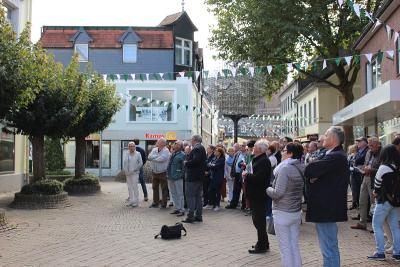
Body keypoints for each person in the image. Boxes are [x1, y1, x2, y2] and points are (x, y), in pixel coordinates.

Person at [304, 126, 349, 267]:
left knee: (328, 246)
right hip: (325, 207)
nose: (323, 137)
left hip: (327, 207)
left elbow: (309, 169)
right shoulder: (331, 154)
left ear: (334, 139)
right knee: (328, 245)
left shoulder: (335, 156)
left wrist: (314, 175)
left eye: (326, 135)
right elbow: (312, 171)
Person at [267, 142, 304, 267]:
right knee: (294, 245)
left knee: (285, 248)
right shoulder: (300, 166)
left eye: (284, 150)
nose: (282, 153)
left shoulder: (284, 168)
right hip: (295, 212)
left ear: (290, 154)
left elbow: (278, 193)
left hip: (283, 212)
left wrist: (267, 189)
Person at [367, 144, 400, 261]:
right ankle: (397, 254)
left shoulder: (383, 167)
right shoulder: (398, 166)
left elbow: (377, 184)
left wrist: (375, 192)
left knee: (376, 225)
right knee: (395, 227)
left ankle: (380, 252)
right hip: (396, 201)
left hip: (384, 201)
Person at [243, 139, 272, 254]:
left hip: (258, 194)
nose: (252, 148)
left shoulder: (264, 161)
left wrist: (247, 175)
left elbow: (259, 178)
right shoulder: (258, 159)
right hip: (255, 194)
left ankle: (262, 245)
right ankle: (264, 242)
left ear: (260, 149)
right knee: (258, 220)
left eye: (254, 146)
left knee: (258, 221)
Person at [351, 137, 381, 230]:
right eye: (369, 144)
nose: (370, 147)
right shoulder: (368, 152)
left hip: (374, 179)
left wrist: (371, 169)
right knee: (362, 200)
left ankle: (375, 225)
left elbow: (383, 169)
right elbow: (366, 163)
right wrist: (364, 168)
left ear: (378, 145)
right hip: (365, 177)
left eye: (372, 145)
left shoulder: (382, 153)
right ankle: (362, 222)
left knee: (373, 203)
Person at [182, 135, 207, 223]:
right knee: (198, 197)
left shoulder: (197, 148)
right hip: (199, 177)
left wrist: (186, 163)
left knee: (190, 196)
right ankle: (198, 215)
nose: (191, 141)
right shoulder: (202, 148)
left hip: (193, 177)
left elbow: (196, 161)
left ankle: (190, 216)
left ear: (195, 140)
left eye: (191, 140)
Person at [148, 138, 171, 208]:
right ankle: (155, 202)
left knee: (164, 188)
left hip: (163, 172)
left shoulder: (166, 150)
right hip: (154, 172)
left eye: (158, 142)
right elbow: (149, 157)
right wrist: (156, 157)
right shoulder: (154, 149)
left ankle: (164, 204)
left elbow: (161, 159)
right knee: (154, 187)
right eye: (157, 142)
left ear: (163, 143)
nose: (157, 143)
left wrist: (153, 158)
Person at [167, 140, 186, 217]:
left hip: (178, 177)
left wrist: (181, 175)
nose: (174, 145)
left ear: (180, 146)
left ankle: (182, 209)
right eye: (175, 144)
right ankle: (177, 208)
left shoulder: (182, 155)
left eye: (176, 144)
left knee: (180, 194)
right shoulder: (173, 153)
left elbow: (184, 167)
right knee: (173, 193)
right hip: (170, 176)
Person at [226, 142, 247, 209]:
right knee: (236, 190)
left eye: (243, 146)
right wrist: (232, 173)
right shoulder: (238, 153)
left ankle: (244, 205)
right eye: (241, 146)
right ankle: (233, 204)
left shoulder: (247, 154)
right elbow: (234, 163)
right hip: (237, 174)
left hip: (244, 174)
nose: (241, 147)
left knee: (244, 190)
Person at [349, 137, 369, 210]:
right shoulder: (359, 150)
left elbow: (357, 160)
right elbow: (352, 160)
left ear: (365, 142)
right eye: (357, 141)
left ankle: (362, 209)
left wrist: (354, 161)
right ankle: (357, 204)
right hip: (355, 172)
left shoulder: (367, 150)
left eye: (360, 141)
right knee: (355, 190)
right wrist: (354, 161)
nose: (358, 143)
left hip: (361, 174)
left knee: (361, 192)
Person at [123, 142, 143, 207]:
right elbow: (125, 163)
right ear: (128, 147)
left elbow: (141, 163)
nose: (131, 147)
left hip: (135, 173)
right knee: (129, 188)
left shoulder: (138, 154)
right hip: (128, 174)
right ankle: (131, 201)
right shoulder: (127, 153)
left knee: (135, 187)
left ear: (135, 147)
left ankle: (136, 202)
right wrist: (125, 170)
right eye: (130, 146)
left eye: (133, 146)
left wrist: (135, 169)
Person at [206, 147, 226, 211]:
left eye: (216, 151)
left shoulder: (222, 159)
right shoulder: (214, 158)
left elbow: (216, 166)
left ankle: (217, 205)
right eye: (215, 151)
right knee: (210, 191)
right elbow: (209, 164)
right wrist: (212, 165)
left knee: (217, 192)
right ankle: (212, 204)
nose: (215, 152)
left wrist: (211, 165)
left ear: (220, 153)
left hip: (218, 178)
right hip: (212, 177)